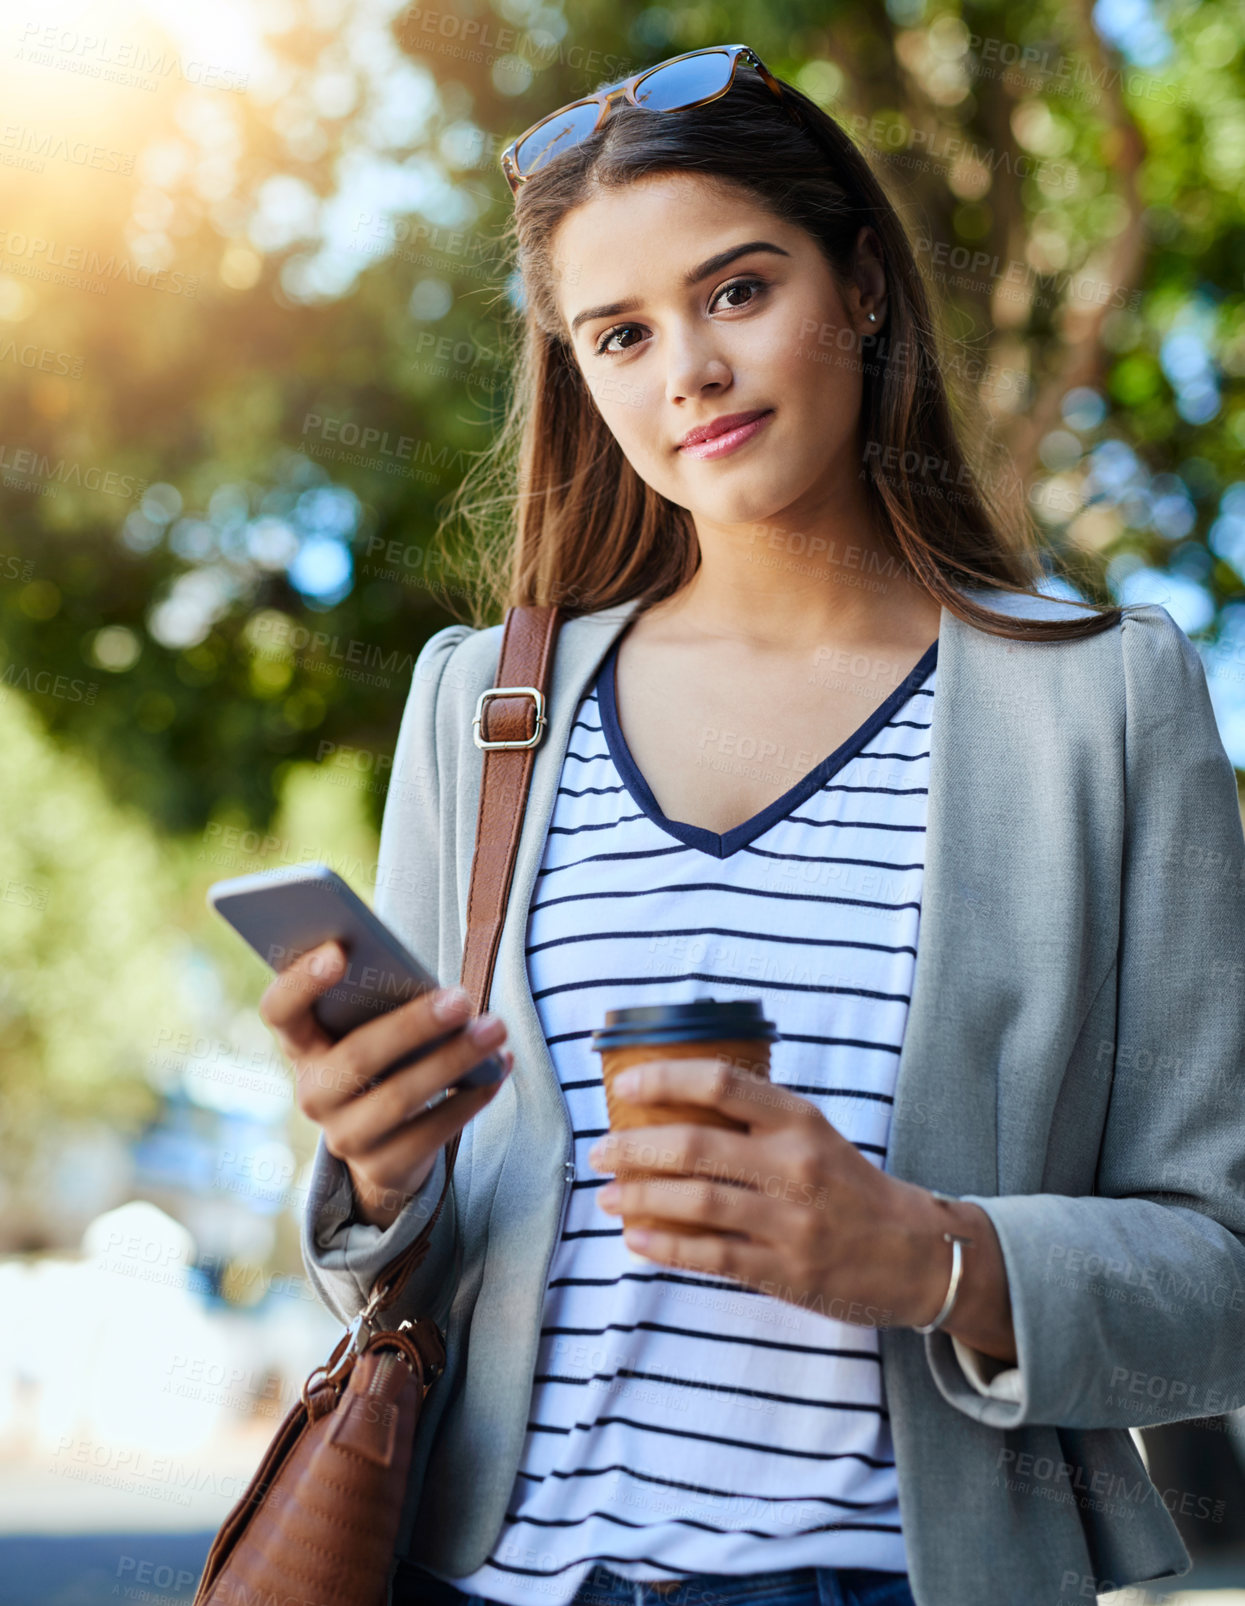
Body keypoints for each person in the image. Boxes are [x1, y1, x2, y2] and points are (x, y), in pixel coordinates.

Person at [259, 45, 1245, 1606]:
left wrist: (931, 1253)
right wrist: (374, 1173)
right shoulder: (482, 708)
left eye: (734, 291)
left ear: (858, 285)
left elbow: (1220, 1267)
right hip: (500, 1579)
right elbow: (402, 1262)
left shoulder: (1103, 707)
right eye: (620, 334)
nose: (687, 375)